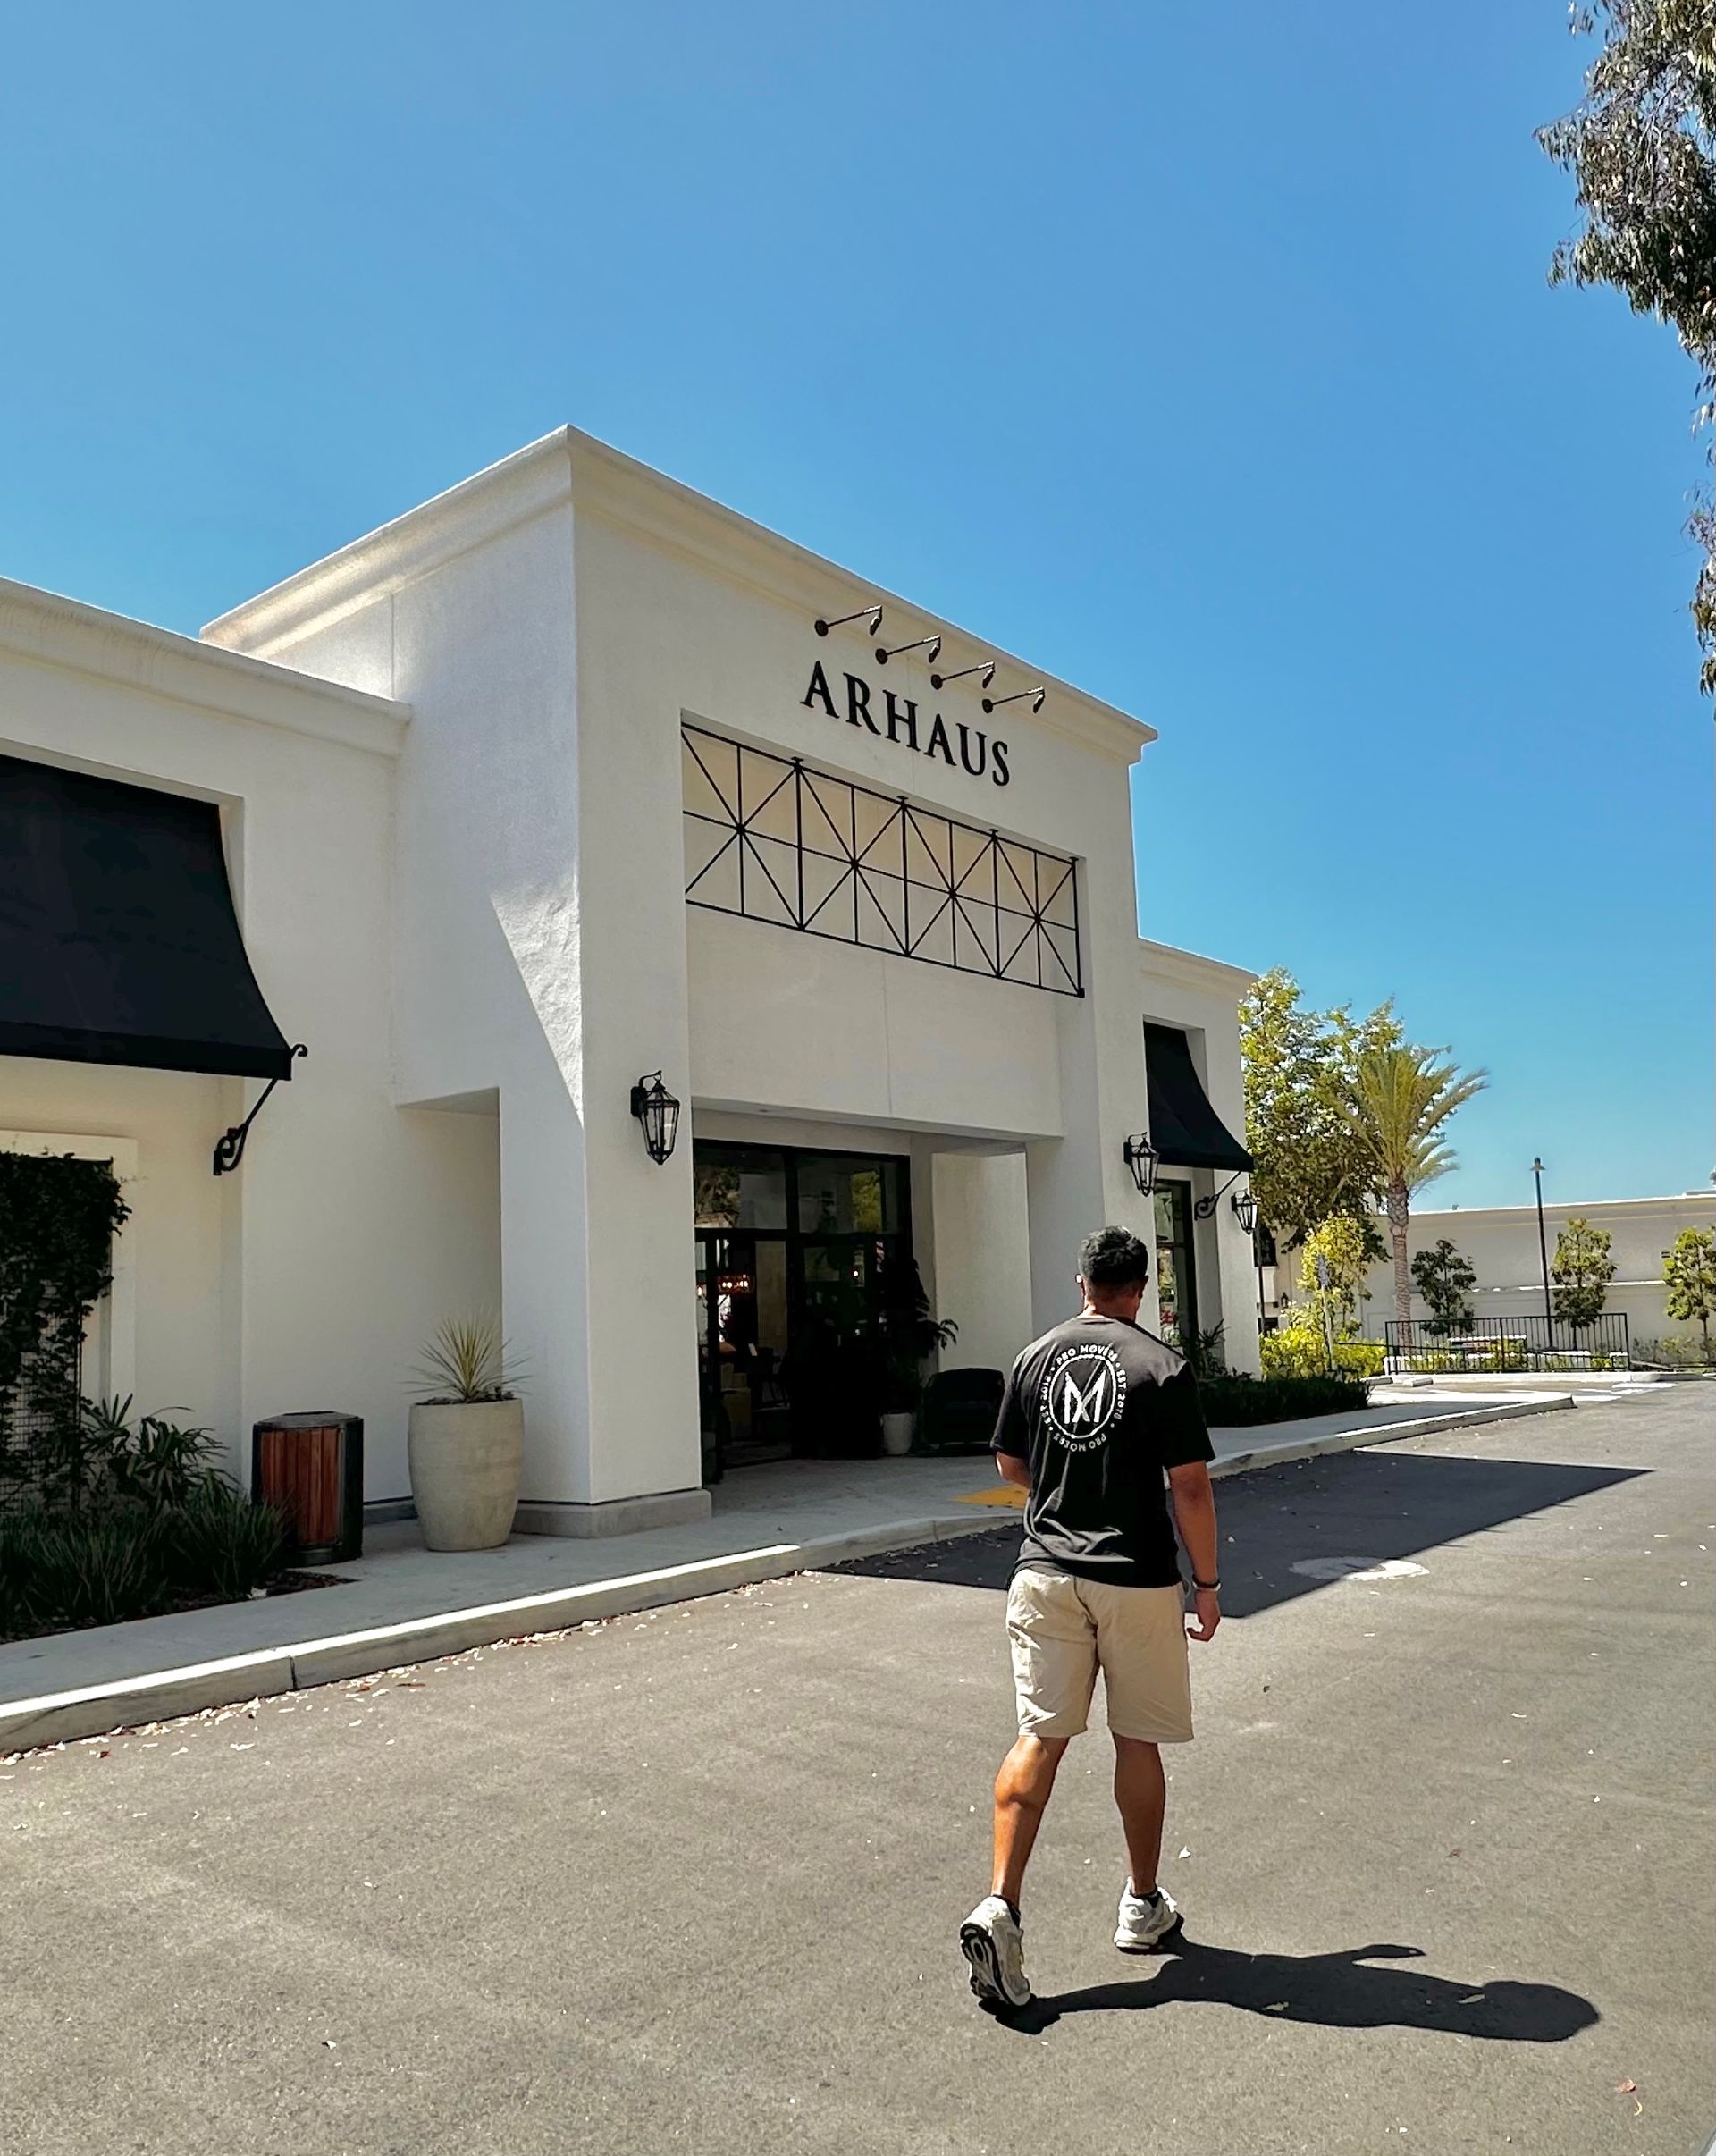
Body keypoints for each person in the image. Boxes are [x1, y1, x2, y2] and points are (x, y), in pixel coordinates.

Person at [959, 1225, 1223, 2010]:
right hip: (1135, 1579)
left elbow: (1010, 1463)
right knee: (1135, 1741)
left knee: (1039, 1735)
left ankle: (999, 1904)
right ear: (1141, 1290)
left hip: (1043, 1573)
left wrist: (1065, 1475)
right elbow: (1192, 1488)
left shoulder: (1034, 1358)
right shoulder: (1160, 1366)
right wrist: (1206, 1583)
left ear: (1083, 1285)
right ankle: (1141, 1903)